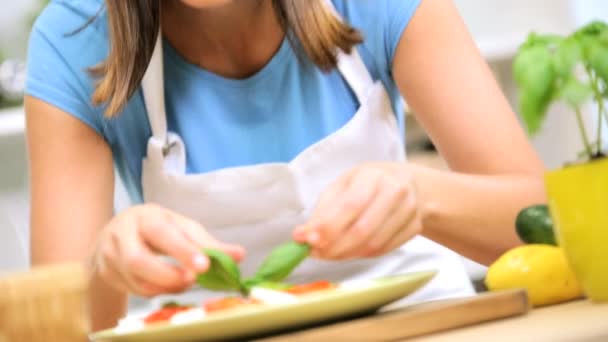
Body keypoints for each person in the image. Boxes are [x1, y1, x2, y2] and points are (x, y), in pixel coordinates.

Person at [25, 0, 546, 331]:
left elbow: (545, 225)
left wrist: (421, 195)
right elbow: (56, 325)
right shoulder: (74, 37)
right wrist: (109, 262)